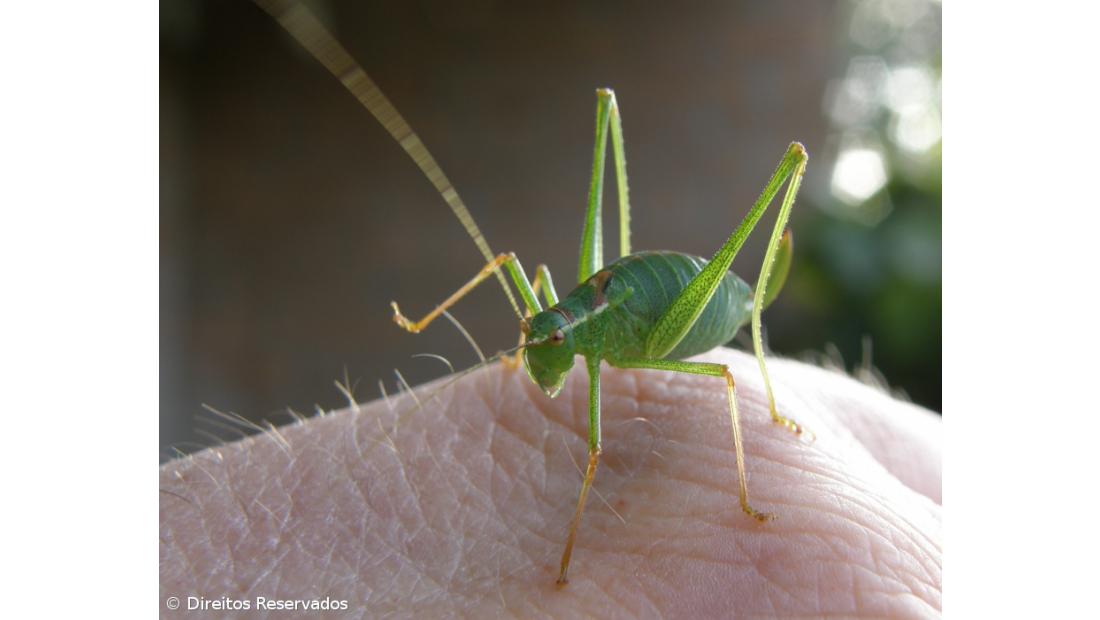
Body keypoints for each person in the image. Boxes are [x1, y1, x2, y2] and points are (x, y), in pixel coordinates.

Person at [160, 348, 941, 617]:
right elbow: (510, 270)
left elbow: (597, 449)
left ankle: (757, 425)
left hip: (678, 310)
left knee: (708, 393)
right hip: (607, 302)